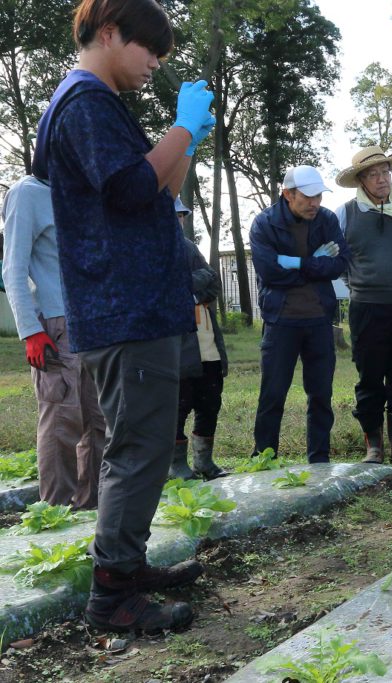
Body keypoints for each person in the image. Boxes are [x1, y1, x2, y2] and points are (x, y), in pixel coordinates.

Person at [34, 0, 216, 632]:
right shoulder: (84, 103)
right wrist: (182, 129)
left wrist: (184, 140)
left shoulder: (99, 106)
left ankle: (128, 566)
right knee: (137, 450)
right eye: (150, 52)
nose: (155, 65)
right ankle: (112, 596)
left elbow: (158, 189)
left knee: (140, 444)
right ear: (109, 33)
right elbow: (134, 189)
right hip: (124, 306)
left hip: (137, 304)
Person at [2, 175, 105, 508]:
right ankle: (55, 513)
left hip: (96, 322)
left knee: (100, 422)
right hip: (56, 325)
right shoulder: (26, 193)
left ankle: (92, 509)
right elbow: (12, 268)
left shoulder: (79, 190)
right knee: (62, 421)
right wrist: (31, 331)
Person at [250, 166, 349, 464]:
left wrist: (292, 263)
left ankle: (319, 460)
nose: (314, 203)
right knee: (272, 395)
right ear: (288, 194)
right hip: (280, 321)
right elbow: (269, 272)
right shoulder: (264, 224)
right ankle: (264, 459)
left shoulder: (328, 219)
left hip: (319, 320)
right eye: (307, 197)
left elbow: (339, 264)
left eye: (318, 196)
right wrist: (312, 262)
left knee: (321, 395)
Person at [335, 146, 392, 464]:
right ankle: (374, 448)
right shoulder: (345, 213)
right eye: (373, 174)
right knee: (370, 376)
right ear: (361, 180)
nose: (381, 178)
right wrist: (363, 285)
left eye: (385, 171)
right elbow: (339, 259)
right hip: (367, 308)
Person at [171, 198, 229, 481]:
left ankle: (204, 463)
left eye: (181, 216)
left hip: (209, 348)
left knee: (210, 405)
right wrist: (197, 283)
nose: (178, 221)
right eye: (174, 215)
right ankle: (176, 466)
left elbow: (213, 281)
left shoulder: (190, 248)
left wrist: (189, 290)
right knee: (177, 409)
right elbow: (164, 287)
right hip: (181, 351)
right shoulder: (149, 251)